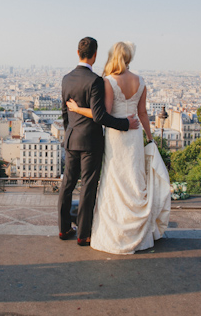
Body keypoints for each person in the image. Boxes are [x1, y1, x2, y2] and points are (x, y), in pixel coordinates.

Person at [66, 41, 171, 254]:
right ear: (129, 57)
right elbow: (142, 114)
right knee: (134, 179)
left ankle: (116, 232)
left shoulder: (108, 81)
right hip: (134, 135)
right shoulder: (141, 81)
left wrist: (78, 109)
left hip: (116, 137)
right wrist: (150, 139)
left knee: (114, 181)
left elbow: (102, 116)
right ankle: (139, 232)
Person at [59, 37, 140, 246]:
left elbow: (64, 113)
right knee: (87, 186)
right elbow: (100, 116)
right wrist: (125, 124)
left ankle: (63, 228)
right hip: (90, 142)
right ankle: (83, 234)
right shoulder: (95, 80)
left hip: (71, 138)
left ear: (77, 53)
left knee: (67, 184)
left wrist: (69, 131)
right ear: (95, 55)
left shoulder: (66, 78)